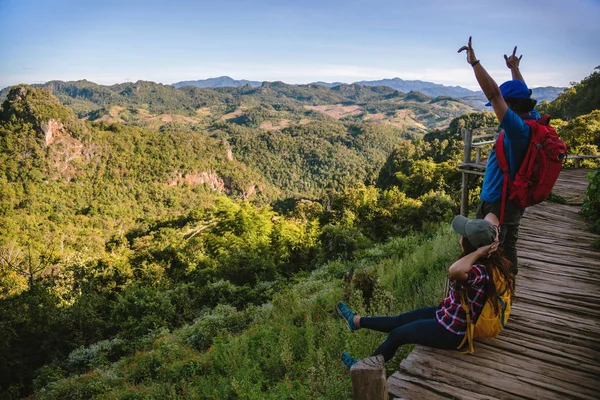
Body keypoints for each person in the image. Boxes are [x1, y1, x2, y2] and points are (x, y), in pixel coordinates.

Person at [336, 213, 515, 369]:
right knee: (399, 320)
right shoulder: (486, 261)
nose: (459, 237)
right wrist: (489, 242)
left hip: (453, 331)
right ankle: (356, 321)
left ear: (470, 245)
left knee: (398, 335)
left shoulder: (479, 271)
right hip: (446, 314)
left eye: (463, 235)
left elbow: (454, 270)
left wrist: (479, 252)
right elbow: (492, 216)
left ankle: (363, 367)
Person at [459, 37, 540, 275]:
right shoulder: (531, 119)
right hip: (511, 199)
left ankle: (487, 298)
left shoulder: (517, 130)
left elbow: (494, 94)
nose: (498, 110)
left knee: (487, 250)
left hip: (498, 200)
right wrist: (515, 70)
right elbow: (520, 95)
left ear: (511, 105)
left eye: (505, 104)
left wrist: (475, 63)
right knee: (508, 244)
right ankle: (506, 291)